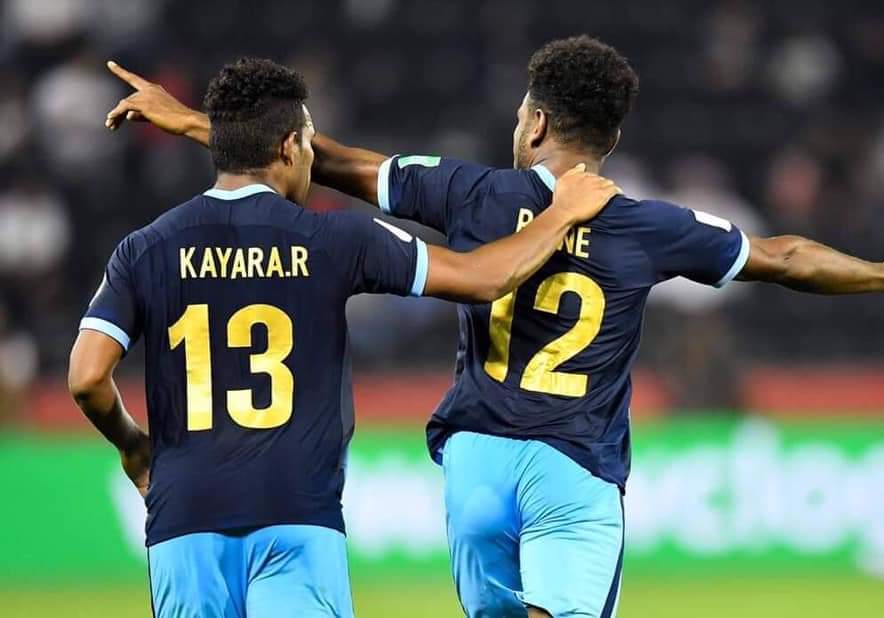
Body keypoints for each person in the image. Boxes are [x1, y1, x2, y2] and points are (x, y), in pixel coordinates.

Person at [104, 36, 884, 618]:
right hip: (572, 464)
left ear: (534, 123)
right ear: (609, 138)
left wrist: (197, 125)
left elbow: (340, 164)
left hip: (476, 464)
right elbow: (784, 256)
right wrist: (882, 272)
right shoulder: (650, 225)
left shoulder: (470, 192)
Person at [69, 57, 620, 618]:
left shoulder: (143, 248)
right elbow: (484, 278)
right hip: (297, 518)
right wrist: (559, 215)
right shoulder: (335, 238)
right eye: (309, 142)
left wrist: (133, 446)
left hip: (181, 521)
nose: (314, 157)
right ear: (290, 146)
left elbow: (87, 378)